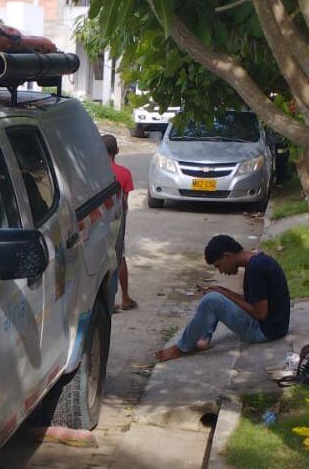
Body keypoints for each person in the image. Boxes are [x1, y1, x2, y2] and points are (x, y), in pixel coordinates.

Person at [155, 234, 290, 362]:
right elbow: (253, 301)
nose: (220, 271)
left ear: (227, 256)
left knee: (212, 300)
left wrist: (224, 293)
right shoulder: (256, 261)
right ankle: (204, 339)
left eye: (218, 265)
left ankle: (182, 347)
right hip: (274, 327)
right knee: (214, 295)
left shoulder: (256, 268)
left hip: (266, 331)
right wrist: (222, 290)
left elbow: (260, 313)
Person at [102, 134, 137, 311]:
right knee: (119, 256)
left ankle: (105, 300)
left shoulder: (93, 171)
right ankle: (125, 297)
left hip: (96, 221)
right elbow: (124, 201)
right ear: (117, 150)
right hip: (116, 220)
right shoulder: (124, 173)